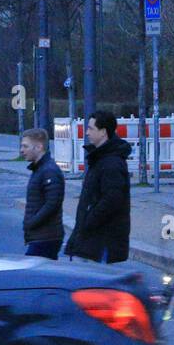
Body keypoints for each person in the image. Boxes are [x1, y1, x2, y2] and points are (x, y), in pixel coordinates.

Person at [64, 110, 131, 264]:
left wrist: (88, 220)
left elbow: (112, 199)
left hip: (102, 240)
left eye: (90, 129)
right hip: (94, 240)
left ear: (103, 132)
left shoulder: (111, 163)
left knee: (96, 285)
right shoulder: (101, 159)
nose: (87, 133)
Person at [19, 127, 64, 259]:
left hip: (45, 236)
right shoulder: (40, 169)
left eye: (25, 146)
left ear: (38, 147)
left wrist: (32, 222)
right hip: (41, 235)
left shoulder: (48, 171)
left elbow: (52, 203)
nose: (22, 150)